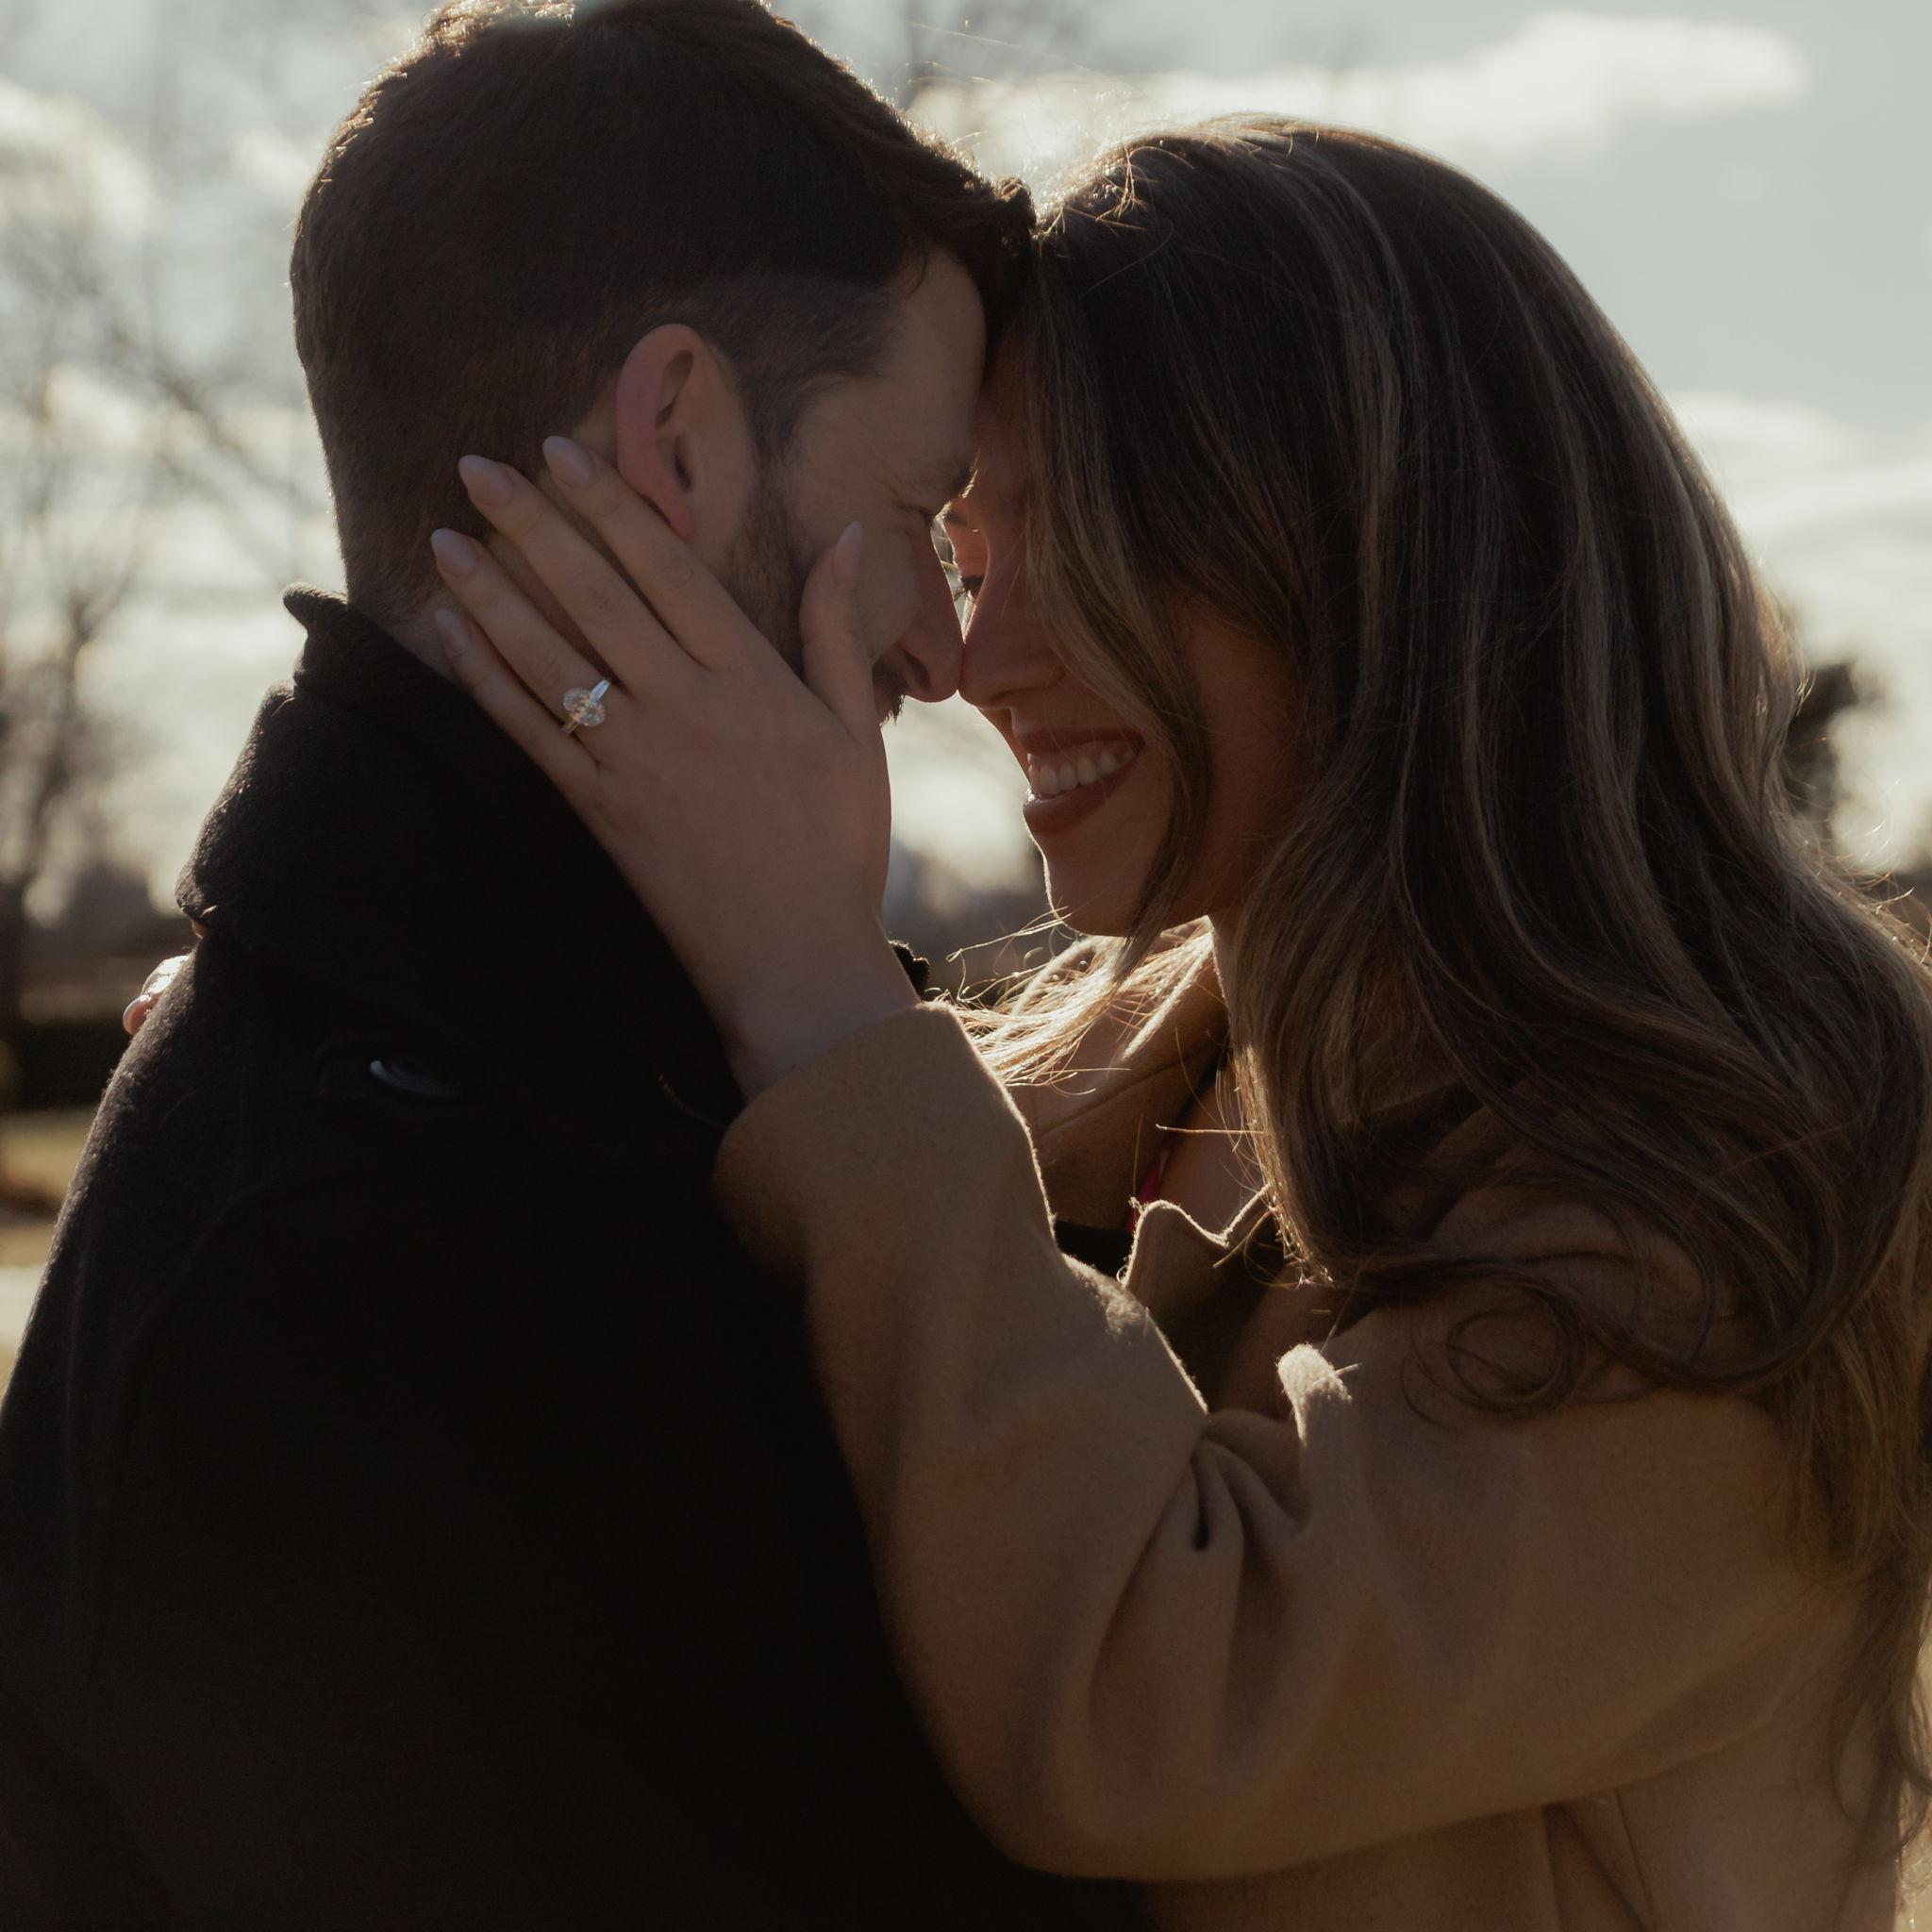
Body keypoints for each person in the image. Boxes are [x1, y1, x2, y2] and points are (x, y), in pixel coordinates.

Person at [433, 122, 1932, 1926]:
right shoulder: (1157, 1062)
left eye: (1090, 537)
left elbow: (1160, 1695)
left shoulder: (1751, 1194)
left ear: (1379, 547)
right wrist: (398, 1013)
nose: (978, 662)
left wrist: (822, 994)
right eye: (972, 552)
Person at [0, 3, 1139, 1925]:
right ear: (677, 433)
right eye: (911, 518)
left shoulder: (534, 1092)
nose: (945, 649)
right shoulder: (352, 1270)